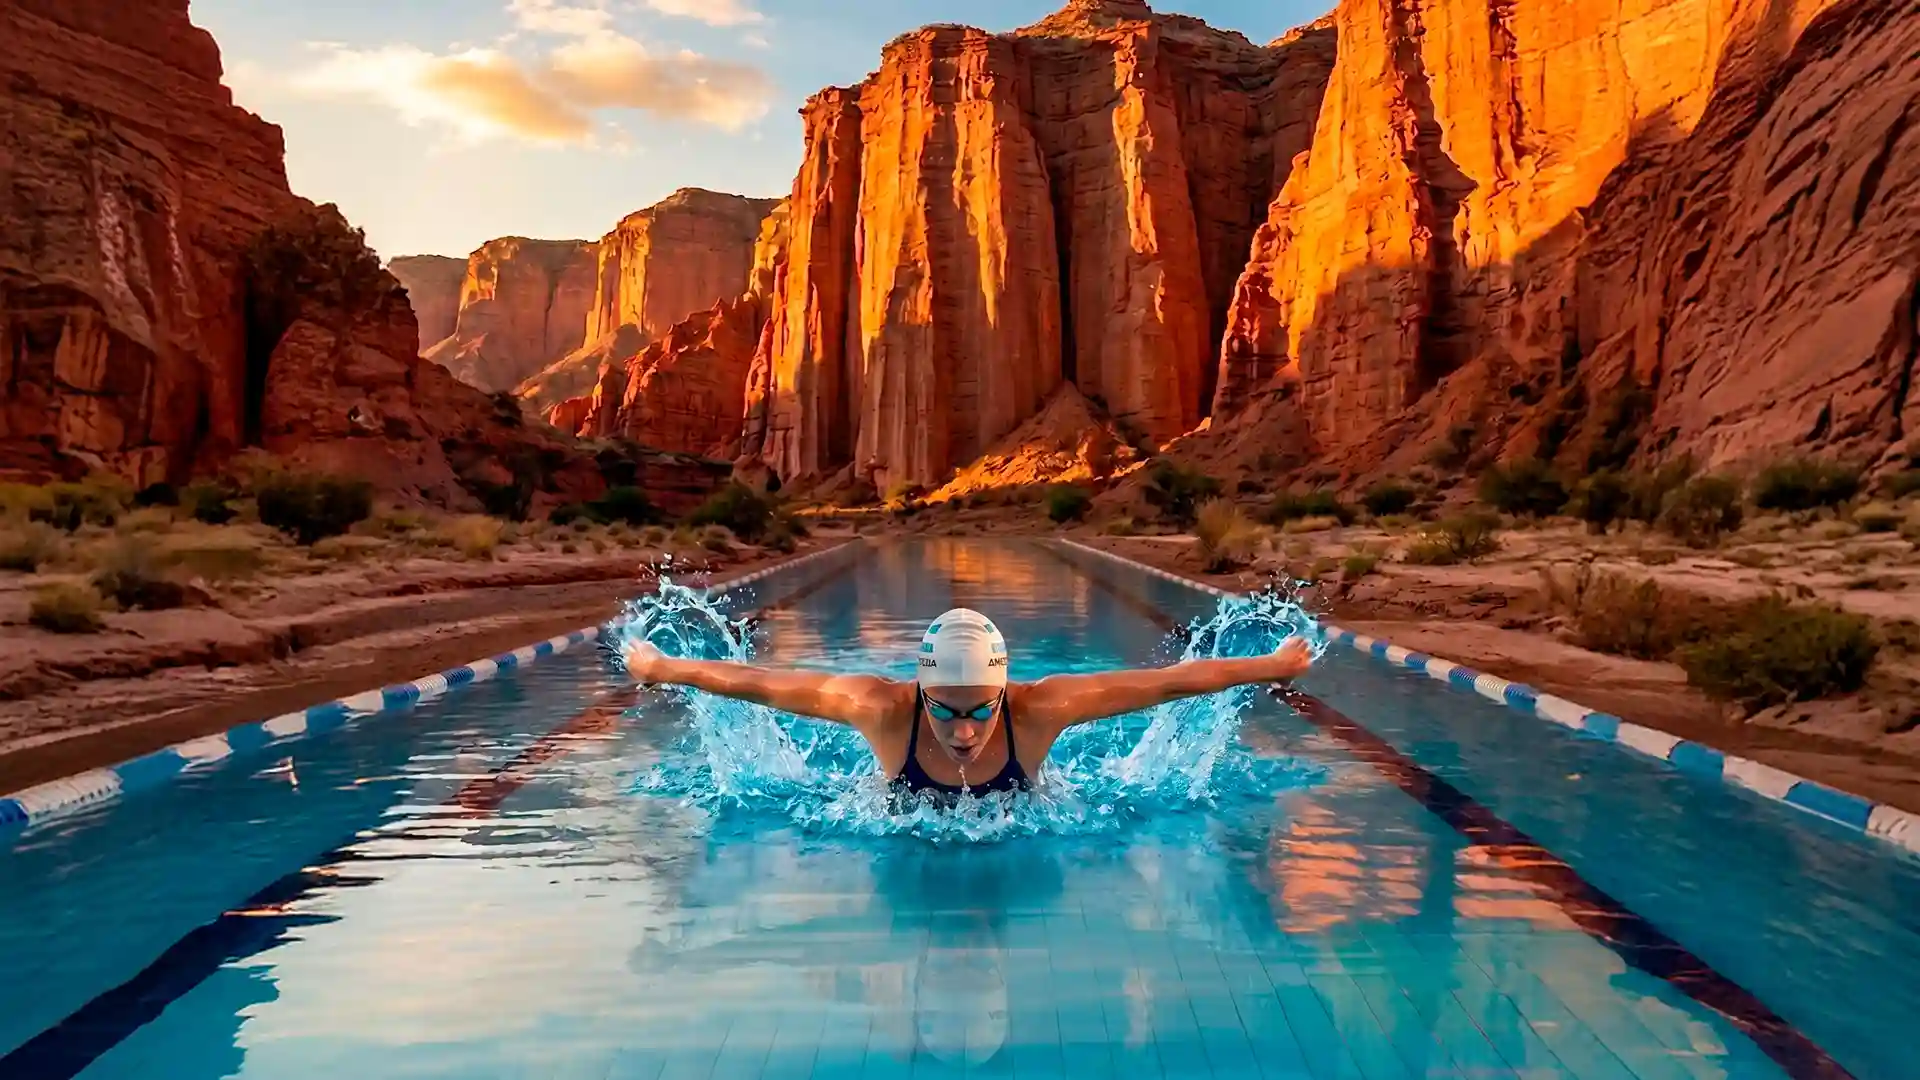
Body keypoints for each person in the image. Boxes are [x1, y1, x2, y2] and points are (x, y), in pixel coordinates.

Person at [622, 607, 1314, 801]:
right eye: (945, 710)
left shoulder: (1038, 710)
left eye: (982, 710)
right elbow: (763, 683)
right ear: (919, 693)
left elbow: (1169, 682)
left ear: (1004, 694)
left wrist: (1273, 666)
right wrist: (663, 668)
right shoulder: (882, 709)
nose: (963, 728)